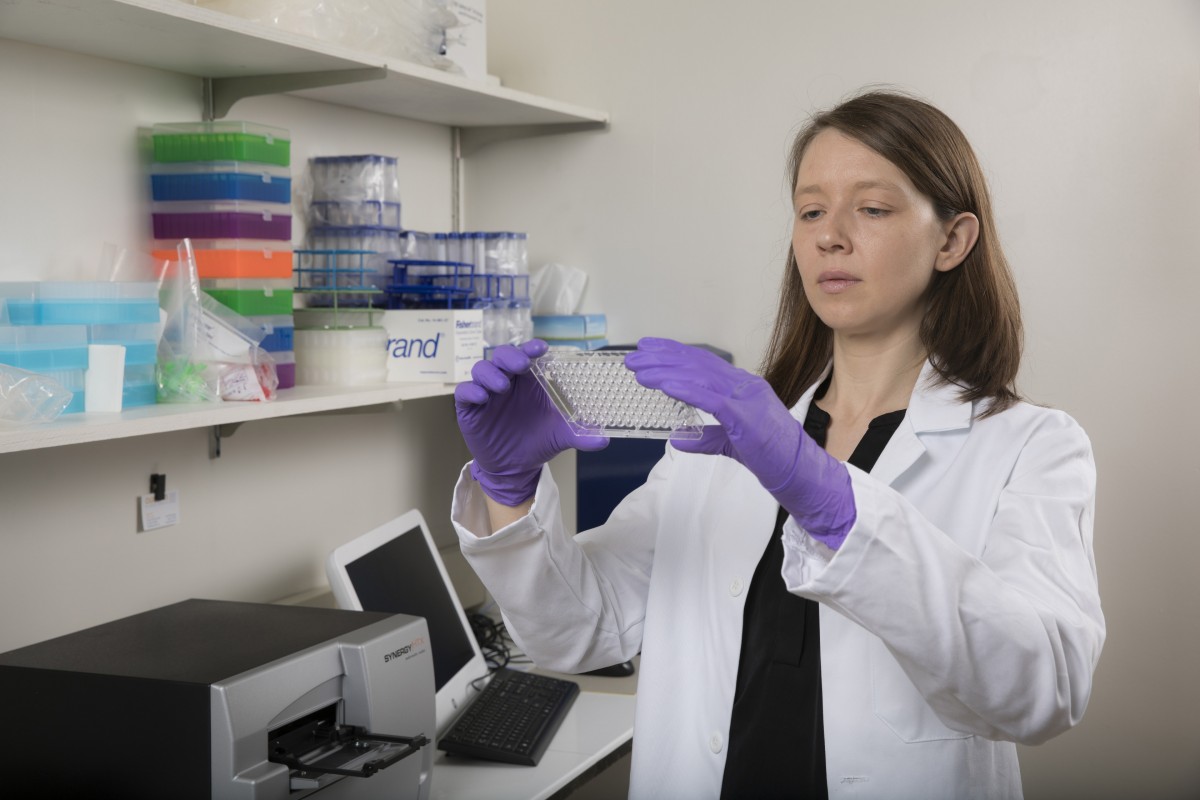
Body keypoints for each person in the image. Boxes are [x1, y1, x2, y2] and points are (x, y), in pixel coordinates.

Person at [449, 89, 1104, 799]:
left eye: (873, 208)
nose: (830, 236)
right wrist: (509, 493)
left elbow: (1045, 690)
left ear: (952, 240)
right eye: (811, 209)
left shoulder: (1031, 446)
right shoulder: (720, 435)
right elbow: (584, 631)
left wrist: (827, 499)